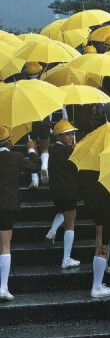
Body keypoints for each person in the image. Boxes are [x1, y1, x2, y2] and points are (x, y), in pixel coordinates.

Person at [0, 126, 40, 300]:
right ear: (9, 141)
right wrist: (31, 150)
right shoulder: (16, 157)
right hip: (7, 206)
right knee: (5, 247)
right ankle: (3, 287)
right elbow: (35, 167)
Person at [79, 170, 110, 298]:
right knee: (102, 241)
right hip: (103, 200)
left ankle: (103, 270)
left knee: (101, 236)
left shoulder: (92, 157)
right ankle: (97, 286)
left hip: (93, 198)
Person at [48, 121, 80, 269]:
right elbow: (76, 168)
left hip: (57, 191)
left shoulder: (53, 150)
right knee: (70, 223)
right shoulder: (69, 152)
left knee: (63, 212)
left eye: (72, 133)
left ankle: (53, 231)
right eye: (68, 134)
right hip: (69, 191)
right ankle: (66, 259)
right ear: (59, 136)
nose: (71, 136)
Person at [25, 61, 51, 188]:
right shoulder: (44, 85)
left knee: (32, 146)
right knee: (45, 147)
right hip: (43, 118)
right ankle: (44, 165)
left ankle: (34, 178)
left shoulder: (22, 86)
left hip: (29, 119)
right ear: (39, 72)